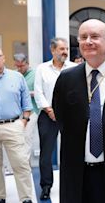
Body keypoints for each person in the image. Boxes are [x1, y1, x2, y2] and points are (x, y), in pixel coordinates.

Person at [53, 19, 105, 203]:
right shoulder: (67, 78)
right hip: (76, 170)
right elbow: (61, 118)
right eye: (83, 37)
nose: (88, 41)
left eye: (94, 36)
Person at [0, 46, 33, 203]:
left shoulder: (17, 77)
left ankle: (26, 198)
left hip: (14, 125)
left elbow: (27, 102)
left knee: (21, 163)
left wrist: (24, 120)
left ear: (4, 58)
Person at [34, 37, 77, 200]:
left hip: (70, 116)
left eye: (66, 49)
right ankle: (46, 186)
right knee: (46, 154)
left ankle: (72, 182)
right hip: (47, 115)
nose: (65, 52)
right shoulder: (42, 69)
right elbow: (38, 91)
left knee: (72, 150)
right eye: (61, 49)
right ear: (53, 50)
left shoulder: (74, 68)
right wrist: (49, 110)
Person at [13, 53, 40, 159]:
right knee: (18, 140)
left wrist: (26, 93)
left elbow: (40, 92)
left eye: (22, 66)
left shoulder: (36, 74)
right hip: (17, 113)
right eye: (17, 66)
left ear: (27, 63)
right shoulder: (15, 75)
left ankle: (25, 169)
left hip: (32, 112)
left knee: (26, 138)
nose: (19, 68)